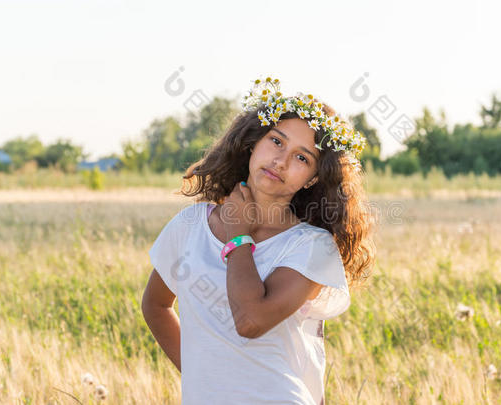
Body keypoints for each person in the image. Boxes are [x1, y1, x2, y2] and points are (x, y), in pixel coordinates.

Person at [141, 76, 377, 404]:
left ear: (313, 178)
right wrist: (208, 380)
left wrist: (239, 235)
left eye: (302, 158)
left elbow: (250, 321)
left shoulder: (312, 246)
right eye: (276, 141)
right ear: (253, 142)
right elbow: (155, 305)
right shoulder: (190, 226)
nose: (281, 161)